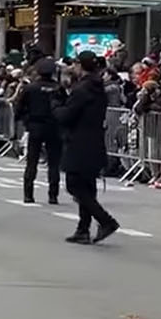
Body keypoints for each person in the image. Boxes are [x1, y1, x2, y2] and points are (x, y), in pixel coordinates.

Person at [58, 50, 119, 243]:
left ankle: (106, 220)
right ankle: (83, 229)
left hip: (79, 142)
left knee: (74, 184)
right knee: (87, 186)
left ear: (80, 66)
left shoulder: (81, 89)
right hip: (95, 141)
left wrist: (56, 106)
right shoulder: (98, 87)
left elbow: (67, 115)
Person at [14, 58, 65, 204]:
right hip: (54, 126)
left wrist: (24, 120)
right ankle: (53, 195)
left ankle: (28, 194)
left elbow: (19, 106)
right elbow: (65, 105)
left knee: (32, 161)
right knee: (53, 162)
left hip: (35, 126)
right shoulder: (58, 88)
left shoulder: (31, 88)